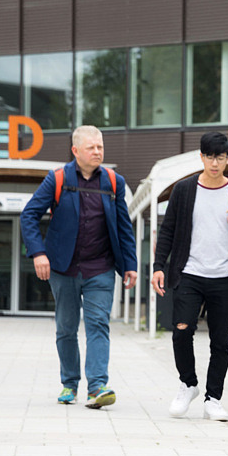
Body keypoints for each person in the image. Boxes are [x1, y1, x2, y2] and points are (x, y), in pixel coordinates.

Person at [20, 125, 138, 409]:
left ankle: (97, 386)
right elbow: (29, 215)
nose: (98, 152)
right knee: (66, 327)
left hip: (101, 267)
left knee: (99, 323)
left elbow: (124, 226)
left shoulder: (113, 181)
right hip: (64, 268)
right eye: (91, 148)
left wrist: (130, 264)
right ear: (75, 151)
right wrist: (38, 253)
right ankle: (69, 384)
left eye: (100, 147)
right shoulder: (57, 179)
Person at [151, 132, 228, 422]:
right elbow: (167, 231)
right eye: (210, 156)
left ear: (227, 158)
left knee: (220, 342)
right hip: (189, 273)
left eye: (221, 157)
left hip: (224, 277)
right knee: (181, 331)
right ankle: (188, 383)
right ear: (201, 157)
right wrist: (157, 266)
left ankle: (213, 398)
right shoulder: (184, 190)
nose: (215, 163)